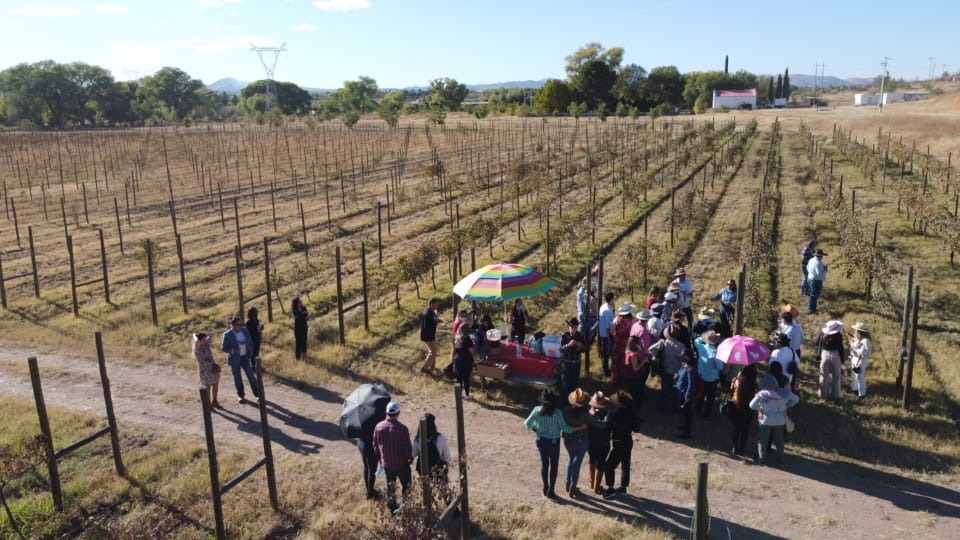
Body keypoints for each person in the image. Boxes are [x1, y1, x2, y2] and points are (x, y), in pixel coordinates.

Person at [524, 389, 576, 498]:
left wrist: (536, 429)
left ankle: (545, 486)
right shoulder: (557, 413)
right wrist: (580, 427)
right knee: (554, 466)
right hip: (554, 443)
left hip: (541, 441)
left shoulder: (536, 410)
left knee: (544, 464)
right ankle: (551, 490)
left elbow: (527, 424)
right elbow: (566, 429)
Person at [561, 388, 606, 498]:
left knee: (571, 460)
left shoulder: (565, 410)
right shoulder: (585, 415)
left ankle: (568, 483)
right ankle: (573, 487)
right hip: (581, 441)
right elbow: (600, 425)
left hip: (568, 440)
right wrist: (606, 418)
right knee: (577, 464)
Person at [749, 374, 800, 464]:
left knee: (763, 441)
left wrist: (760, 408)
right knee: (779, 441)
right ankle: (781, 458)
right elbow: (796, 399)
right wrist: (787, 405)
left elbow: (751, 405)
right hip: (780, 421)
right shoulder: (784, 392)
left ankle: (761, 459)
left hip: (765, 421)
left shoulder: (761, 394)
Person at [373, 401, 413, 513]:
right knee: (407, 487)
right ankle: (406, 509)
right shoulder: (402, 429)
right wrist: (410, 458)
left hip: (387, 464)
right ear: (398, 413)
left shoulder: (378, 427)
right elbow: (407, 449)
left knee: (390, 487)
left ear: (386, 413)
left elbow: (375, 446)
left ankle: (392, 509)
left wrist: (381, 460)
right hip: (402, 464)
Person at [601, 389, 635, 499]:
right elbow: (637, 427)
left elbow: (607, 428)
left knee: (609, 466)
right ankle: (623, 487)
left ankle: (610, 489)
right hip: (628, 440)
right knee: (626, 464)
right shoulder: (631, 410)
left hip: (618, 442)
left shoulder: (614, 412)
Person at [648, 323, 688, 412]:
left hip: (665, 369)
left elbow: (650, 349)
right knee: (675, 390)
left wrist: (655, 357)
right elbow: (685, 359)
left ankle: (662, 407)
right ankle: (675, 408)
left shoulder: (663, 342)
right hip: (677, 372)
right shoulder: (681, 346)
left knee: (664, 390)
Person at [221, 317, 260, 404]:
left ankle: (258, 395)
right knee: (238, 379)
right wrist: (233, 350)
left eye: (242, 324)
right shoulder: (227, 334)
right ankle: (241, 396)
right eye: (239, 325)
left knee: (252, 377)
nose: (242, 326)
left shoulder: (245, 330)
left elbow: (250, 341)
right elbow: (223, 348)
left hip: (245, 357)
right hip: (235, 359)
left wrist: (250, 353)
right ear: (234, 325)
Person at [412, 413, 452, 486]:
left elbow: (413, 454)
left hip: (423, 472)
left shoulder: (418, 439)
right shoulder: (440, 438)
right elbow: (447, 458)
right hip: (438, 470)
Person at [586, 391, 611, 495]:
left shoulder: (589, 414)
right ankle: (596, 487)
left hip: (591, 442)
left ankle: (592, 482)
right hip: (603, 443)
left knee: (592, 460)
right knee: (600, 464)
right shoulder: (608, 416)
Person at [694, 330, 723, 418]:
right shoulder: (716, 353)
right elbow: (719, 367)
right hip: (712, 379)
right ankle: (706, 415)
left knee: (700, 394)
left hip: (701, 376)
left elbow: (696, 340)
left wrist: (704, 337)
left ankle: (697, 410)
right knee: (710, 398)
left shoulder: (701, 347)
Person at [729, 364, 757, 456]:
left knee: (736, 428)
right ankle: (742, 448)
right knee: (745, 429)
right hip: (749, 408)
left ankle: (734, 447)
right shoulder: (752, 381)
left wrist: (736, 378)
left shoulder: (738, 379)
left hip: (737, 406)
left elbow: (732, 390)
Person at [628, 310, 654, 405]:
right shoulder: (644, 331)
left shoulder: (635, 325)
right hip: (642, 357)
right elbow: (646, 348)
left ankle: (635, 393)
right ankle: (640, 395)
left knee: (635, 378)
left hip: (633, 353)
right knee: (642, 378)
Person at [818, 320, 845, 400]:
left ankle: (823, 394)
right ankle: (835, 395)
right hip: (835, 355)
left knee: (823, 375)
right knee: (836, 377)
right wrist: (842, 360)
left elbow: (817, 343)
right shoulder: (838, 336)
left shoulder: (822, 334)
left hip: (824, 354)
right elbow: (840, 349)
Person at [559, 318, 586, 398]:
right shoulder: (565, 336)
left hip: (577, 363)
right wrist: (568, 345)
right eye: (572, 327)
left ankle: (574, 401)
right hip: (567, 363)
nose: (573, 329)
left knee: (574, 383)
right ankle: (565, 401)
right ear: (569, 327)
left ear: (577, 327)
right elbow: (561, 350)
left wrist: (579, 345)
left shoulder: (580, 336)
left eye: (575, 327)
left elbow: (584, 349)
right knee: (566, 384)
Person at [192, 332, 221, 408]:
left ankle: (215, 401)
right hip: (205, 371)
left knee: (215, 385)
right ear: (199, 340)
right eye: (204, 339)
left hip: (213, 368)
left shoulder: (206, 345)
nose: (206, 340)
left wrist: (205, 334)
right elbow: (195, 338)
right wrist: (196, 335)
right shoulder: (197, 348)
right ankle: (208, 404)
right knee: (207, 387)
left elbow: (211, 335)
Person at [610, 303, 636, 385]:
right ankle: (624, 381)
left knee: (615, 362)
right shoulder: (633, 321)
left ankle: (615, 380)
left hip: (617, 343)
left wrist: (616, 336)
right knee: (624, 363)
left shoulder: (616, 319)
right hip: (627, 344)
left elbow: (611, 331)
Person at [675, 352, 698, 439]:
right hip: (681, 394)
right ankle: (685, 426)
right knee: (684, 413)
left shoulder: (691, 369)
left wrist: (688, 396)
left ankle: (687, 433)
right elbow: (680, 374)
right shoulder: (684, 366)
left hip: (686, 395)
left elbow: (691, 384)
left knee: (688, 414)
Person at [848, 322, 873, 399]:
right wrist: (852, 341)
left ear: (860, 331)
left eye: (856, 330)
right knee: (854, 375)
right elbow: (855, 346)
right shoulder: (858, 338)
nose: (855, 332)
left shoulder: (866, 341)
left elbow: (863, 353)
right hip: (855, 359)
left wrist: (853, 347)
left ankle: (862, 394)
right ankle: (854, 389)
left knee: (859, 377)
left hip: (861, 361)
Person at [420, 298, 442, 374]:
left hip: (430, 335)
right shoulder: (427, 314)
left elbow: (433, 319)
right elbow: (427, 326)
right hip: (427, 336)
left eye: (437, 305)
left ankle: (432, 367)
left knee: (433, 351)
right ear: (431, 304)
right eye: (435, 305)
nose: (437, 307)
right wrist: (436, 321)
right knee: (433, 352)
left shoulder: (431, 311)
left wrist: (436, 320)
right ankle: (424, 368)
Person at [597, 292, 617, 378]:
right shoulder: (609, 311)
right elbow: (611, 326)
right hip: (607, 334)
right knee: (607, 353)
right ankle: (606, 371)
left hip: (602, 333)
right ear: (611, 299)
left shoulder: (603, 306)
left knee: (604, 352)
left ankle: (605, 369)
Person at [805, 248, 828, 314]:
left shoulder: (811, 260)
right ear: (820, 256)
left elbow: (807, 268)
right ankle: (811, 310)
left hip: (810, 279)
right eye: (822, 255)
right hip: (816, 281)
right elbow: (819, 273)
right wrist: (825, 269)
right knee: (814, 295)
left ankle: (813, 308)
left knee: (813, 295)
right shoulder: (818, 263)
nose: (822, 256)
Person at [357, 435, 380, 499]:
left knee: (367, 467)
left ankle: (369, 489)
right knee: (372, 470)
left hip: (361, 442)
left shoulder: (361, 424)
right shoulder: (374, 424)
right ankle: (370, 494)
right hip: (370, 446)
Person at [453, 335, 476, 400]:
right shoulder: (467, 339)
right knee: (466, 377)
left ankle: (458, 394)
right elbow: (472, 350)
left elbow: (454, 349)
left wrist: (453, 359)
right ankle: (467, 394)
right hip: (466, 360)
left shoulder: (456, 337)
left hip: (458, 359)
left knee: (459, 377)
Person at [245, 307, 264, 373]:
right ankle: (253, 367)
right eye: (255, 312)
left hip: (257, 338)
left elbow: (259, 329)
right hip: (252, 339)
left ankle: (257, 366)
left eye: (256, 312)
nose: (256, 313)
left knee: (257, 353)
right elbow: (249, 331)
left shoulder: (257, 320)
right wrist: (257, 329)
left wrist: (261, 328)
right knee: (252, 354)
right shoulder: (248, 322)